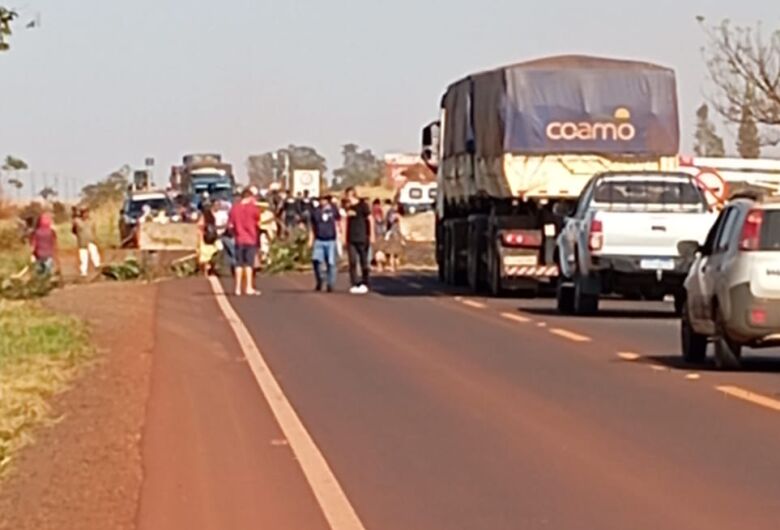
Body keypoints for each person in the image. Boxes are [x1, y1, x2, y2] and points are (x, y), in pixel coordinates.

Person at [228, 187, 261, 296]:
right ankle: (248, 287)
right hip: (250, 239)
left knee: (239, 264)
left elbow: (230, 225)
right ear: (250, 197)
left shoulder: (234, 208)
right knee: (248, 264)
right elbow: (258, 221)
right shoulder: (253, 208)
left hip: (239, 239)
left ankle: (237, 288)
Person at [309, 195, 341, 292]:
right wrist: (310, 239)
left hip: (331, 240)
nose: (323, 202)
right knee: (316, 261)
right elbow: (312, 226)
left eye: (325, 200)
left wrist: (341, 236)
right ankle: (320, 280)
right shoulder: (315, 211)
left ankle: (330, 284)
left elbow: (339, 221)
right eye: (321, 200)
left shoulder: (333, 209)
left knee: (331, 263)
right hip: (319, 239)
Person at [344, 187, 372, 294]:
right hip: (351, 237)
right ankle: (354, 283)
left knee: (364, 261)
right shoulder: (347, 207)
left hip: (362, 237)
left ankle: (365, 282)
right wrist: (343, 237)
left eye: (349, 195)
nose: (348, 197)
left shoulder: (363, 205)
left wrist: (371, 235)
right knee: (352, 261)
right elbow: (344, 221)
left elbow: (370, 219)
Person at [73, 207, 102, 277]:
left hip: (91, 240)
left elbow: (93, 230)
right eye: (84, 213)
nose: (86, 214)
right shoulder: (77, 221)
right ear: (81, 214)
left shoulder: (91, 221)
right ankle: (83, 272)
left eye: (87, 213)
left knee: (94, 253)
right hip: (82, 241)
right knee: (83, 257)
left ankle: (97, 266)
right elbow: (73, 230)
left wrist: (95, 239)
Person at [384, 202, 405, 272]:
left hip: (396, 234)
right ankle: (392, 266)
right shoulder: (392, 213)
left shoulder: (395, 213)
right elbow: (390, 221)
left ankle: (394, 266)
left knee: (396, 253)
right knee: (392, 253)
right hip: (393, 234)